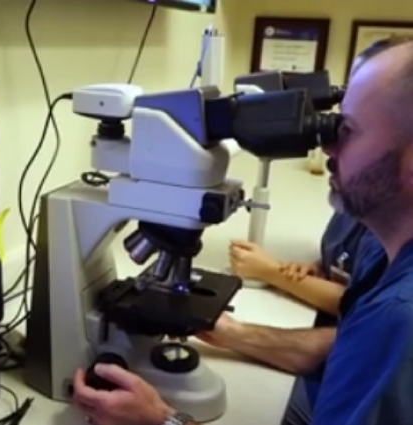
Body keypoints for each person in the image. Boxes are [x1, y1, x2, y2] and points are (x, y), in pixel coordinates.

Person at [72, 36, 413, 425]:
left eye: (347, 130)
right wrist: (239, 334)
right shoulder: (380, 250)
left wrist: (160, 420)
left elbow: (381, 341)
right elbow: (350, 347)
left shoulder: (400, 319)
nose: (329, 146)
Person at [229, 212, 370, 425]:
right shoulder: (355, 210)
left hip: (354, 382)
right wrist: (319, 269)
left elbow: (361, 308)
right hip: (342, 349)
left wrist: (273, 272)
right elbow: (347, 263)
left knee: (256, 402)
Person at [229, 212, 368, 317]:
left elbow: (360, 302)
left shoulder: (379, 226)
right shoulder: (350, 206)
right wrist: (320, 267)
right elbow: (345, 253)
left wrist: (271, 271)